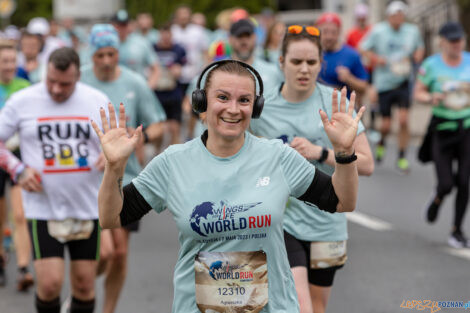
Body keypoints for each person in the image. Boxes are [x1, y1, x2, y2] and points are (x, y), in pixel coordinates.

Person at [92, 59, 364, 313]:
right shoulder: (173, 163)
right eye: (222, 97)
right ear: (202, 102)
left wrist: (343, 152)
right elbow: (112, 216)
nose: (233, 109)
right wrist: (114, 168)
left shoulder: (277, 157)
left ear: (255, 107)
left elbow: (341, 200)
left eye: (244, 100)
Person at [250, 25, 374, 313]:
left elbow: (367, 164)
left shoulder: (336, 103)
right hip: (281, 221)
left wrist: (321, 152)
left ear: (321, 64)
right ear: (281, 62)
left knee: (317, 307)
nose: (304, 69)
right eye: (296, 62)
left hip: (326, 223)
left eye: (311, 62)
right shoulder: (262, 106)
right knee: (300, 306)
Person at [0, 47, 109, 313]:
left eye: (65, 84)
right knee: (50, 284)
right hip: (43, 206)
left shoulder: (96, 100)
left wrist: (110, 155)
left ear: (78, 76)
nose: (57, 90)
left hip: (86, 206)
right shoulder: (23, 100)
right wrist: (18, 170)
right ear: (45, 72)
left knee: (84, 285)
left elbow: (116, 140)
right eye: (51, 81)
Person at [81, 24, 166, 313]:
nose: (106, 60)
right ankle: (83, 294)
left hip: (126, 177)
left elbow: (158, 124)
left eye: (111, 54)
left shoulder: (134, 83)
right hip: (88, 179)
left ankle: (108, 309)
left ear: (119, 52)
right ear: (92, 54)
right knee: (103, 253)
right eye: (100, 55)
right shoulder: (80, 81)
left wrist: (141, 136)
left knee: (119, 253)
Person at [414, 22, 470, 248]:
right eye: (452, 41)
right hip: (442, 128)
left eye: (460, 40)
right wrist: (431, 98)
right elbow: (418, 92)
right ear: (442, 42)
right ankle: (438, 198)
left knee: (465, 182)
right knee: (447, 184)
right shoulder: (431, 65)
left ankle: (456, 230)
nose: (457, 45)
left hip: (466, 126)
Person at [360, 0, 424, 172]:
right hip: (384, 83)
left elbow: (420, 48)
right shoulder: (379, 31)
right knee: (386, 125)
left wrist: (416, 57)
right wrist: (376, 59)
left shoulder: (412, 31)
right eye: (394, 15)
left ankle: (402, 157)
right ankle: (382, 142)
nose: (398, 18)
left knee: (403, 120)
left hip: (404, 81)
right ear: (389, 16)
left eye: (401, 15)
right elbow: (363, 47)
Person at [0, 43, 32, 290]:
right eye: (4, 61)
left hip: (19, 155)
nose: (8, 66)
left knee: (20, 214)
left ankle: (23, 268)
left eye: (11, 61)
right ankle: (1, 260)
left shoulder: (25, 88)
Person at [316, 12, 369, 97]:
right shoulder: (312, 54)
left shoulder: (352, 54)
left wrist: (349, 78)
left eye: (333, 32)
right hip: (317, 107)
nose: (329, 37)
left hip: (344, 107)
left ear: (339, 32)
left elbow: (364, 87)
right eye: (325, 32)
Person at [154, 23, 186, 145]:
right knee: (159, 126)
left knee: (175, 125)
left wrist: (178, 70)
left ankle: (174, 150)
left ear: (172, 35)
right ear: (160, 35)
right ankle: (156, 152)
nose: (166, 37)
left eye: (168, 34)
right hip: (158, 92)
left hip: (173, 91)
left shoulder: (178, 49)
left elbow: (184, 68)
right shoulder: (153, 49)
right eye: (164, 34)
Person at [111, 10, 160, 89]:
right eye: (118, 25)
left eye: (124, 25)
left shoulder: (141, 43)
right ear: (113, 25)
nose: (121, 28)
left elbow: (155, 68)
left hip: (136, 89)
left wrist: (148, 88)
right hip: (114, 89)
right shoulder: (106, 45)